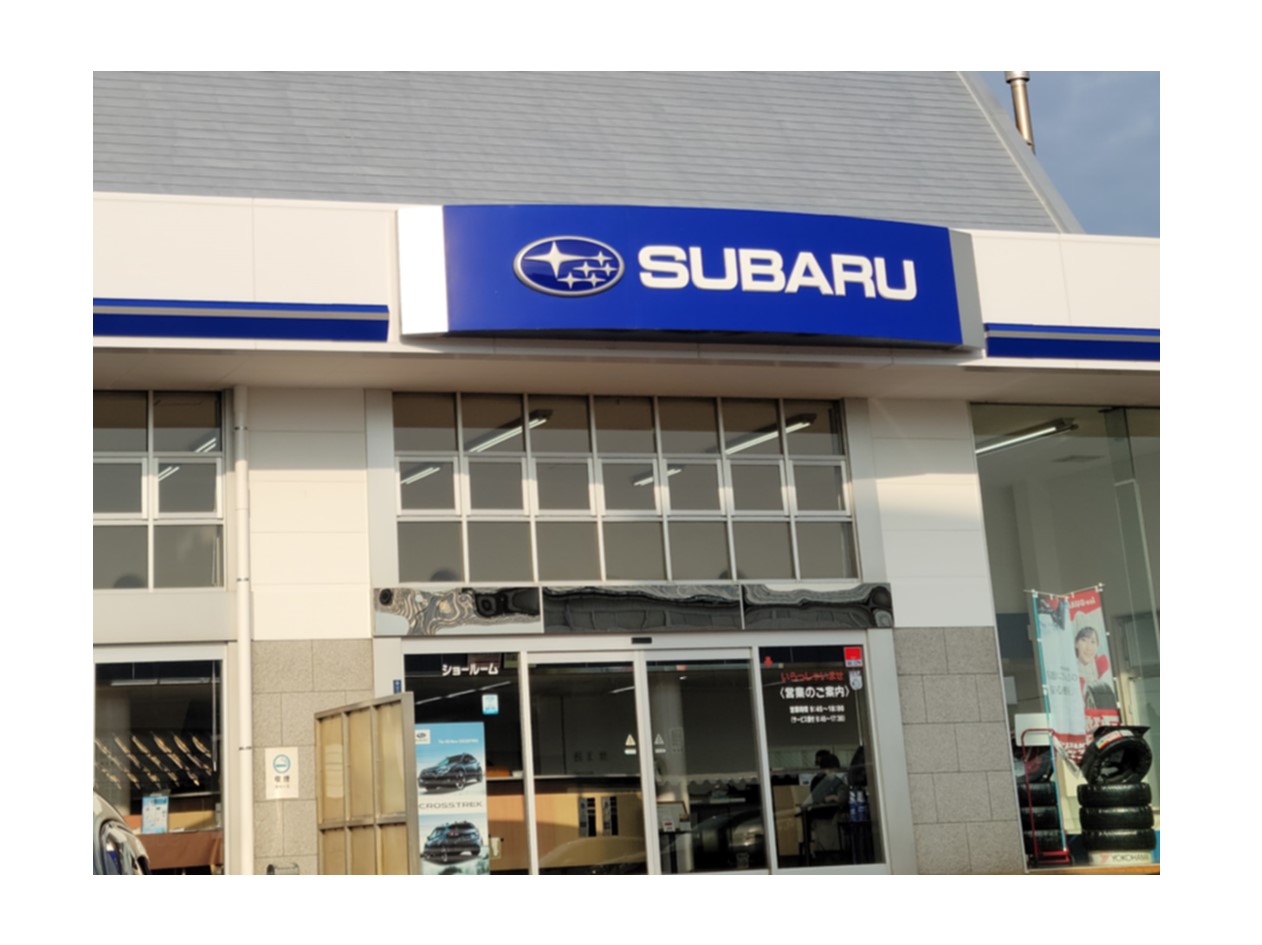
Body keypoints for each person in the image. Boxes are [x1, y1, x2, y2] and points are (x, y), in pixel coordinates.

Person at [1075, 626, 1118, 710]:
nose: (1088, 647)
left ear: (1097, 645)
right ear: (1076, 643)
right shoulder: (1070, 670)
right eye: (1084, 640)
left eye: (1093, 642)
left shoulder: (1102, 666)